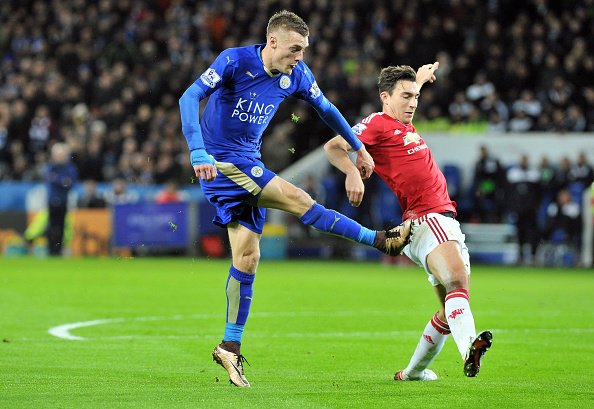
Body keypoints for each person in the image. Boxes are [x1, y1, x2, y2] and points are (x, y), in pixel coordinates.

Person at [178, 10, 409, 387]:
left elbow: (328, 110)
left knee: (248, 259)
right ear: (273, 42)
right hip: (221, 162)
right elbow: (190, 97)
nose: (299, 57)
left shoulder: (297, 75)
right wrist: (197, 151)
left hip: (249, 161)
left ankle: (229, 348)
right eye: (294, 49)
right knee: (300, 199)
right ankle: (379, 240)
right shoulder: (234, 61)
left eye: (304, 50)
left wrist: (358, 150)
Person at [324, 62, 492, 380]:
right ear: (385, 97)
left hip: (432, 220)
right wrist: (351, 174)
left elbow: (406, 92)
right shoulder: (377, 124)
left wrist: (420, 79)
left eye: (416, 96)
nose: (413, 103)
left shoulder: (401, 120)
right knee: (458, 280)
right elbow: (333, 147)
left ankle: (411, 374)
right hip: (428, 218)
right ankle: (470, 346)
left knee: (448, 308)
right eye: (406, 97)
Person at [45, 142, 78, 256]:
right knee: (51, 226)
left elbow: (70, 183)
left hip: (63, 200)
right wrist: (63, 181)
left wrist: (58, 180)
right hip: (52, 200)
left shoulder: (70, 167)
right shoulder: (51, 167)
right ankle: (51, 250)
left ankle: (58, 250)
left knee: (62, 226)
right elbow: (61, 182)